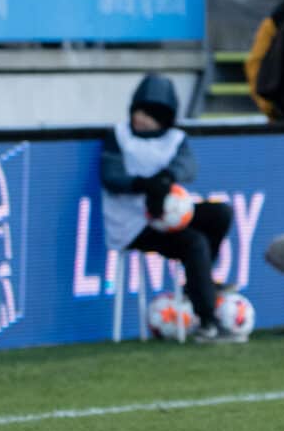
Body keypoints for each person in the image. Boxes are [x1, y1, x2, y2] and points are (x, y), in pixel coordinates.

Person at [99, 73, 238, 343]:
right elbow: (111, 176)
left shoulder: (175, 138)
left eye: (150, 115)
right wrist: (142, 185)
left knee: (220, 213)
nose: (141, 119)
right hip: (133, 224)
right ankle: (208, 321)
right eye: (139, 111)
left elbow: (187, 167)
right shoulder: (119, 136)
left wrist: (164, 180)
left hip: (167, 213)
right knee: (193, 242)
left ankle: (199, 284)